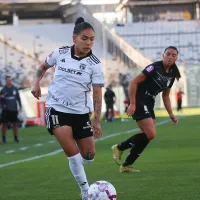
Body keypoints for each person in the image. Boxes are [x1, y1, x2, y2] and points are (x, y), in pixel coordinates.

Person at [31, 17, 104, 200]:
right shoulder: (60, 52)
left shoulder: (95, 64)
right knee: (72, 154)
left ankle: (77, 168)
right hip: (57, 109)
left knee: (88, 156)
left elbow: (97, 93)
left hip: (80, 112)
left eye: (92, 39)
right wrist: (36, 82)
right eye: (85, 38)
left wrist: (96, 120)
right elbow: (43, 66)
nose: (89, 43)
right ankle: (86, 192)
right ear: (74, 38)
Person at [111, 46, 180, 173]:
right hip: (140, 99)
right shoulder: (154, 67)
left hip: (149, 102)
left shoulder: (173, 73)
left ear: (176, 58)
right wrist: (132, 103)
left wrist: (171, 114)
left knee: (147, 136)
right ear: (163, 55)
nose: (170, 57)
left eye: (174, 55)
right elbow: (133, 82)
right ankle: (119, 147)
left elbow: (165, 96)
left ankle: (126, 164)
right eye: (168, 54)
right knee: (151, 133)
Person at [0, 76, 22, 144]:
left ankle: (16, 138)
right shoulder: (3, 90)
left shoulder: (15, 89)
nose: (9, 81)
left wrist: (20, 106)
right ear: (6, 81)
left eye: (10, 80)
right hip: (6, 110)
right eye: (8, 80)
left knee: (15, 124)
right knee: (4, 125)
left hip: (14, 109)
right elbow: (0, 99)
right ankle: (4, 139)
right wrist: (2, 99)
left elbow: (18, 98)